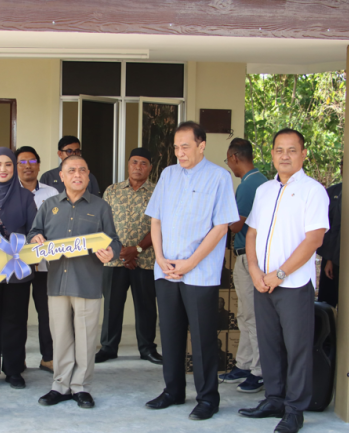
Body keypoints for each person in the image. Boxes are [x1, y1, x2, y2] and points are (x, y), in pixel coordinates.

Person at [144, 121, 239, 421]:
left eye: (185, 146)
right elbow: (155, 220)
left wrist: (191, 262)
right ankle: (173, 391)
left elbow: (221, 226)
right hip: (166, 270)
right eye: (175, 147)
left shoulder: (219, 177)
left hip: (198, 273)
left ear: (202, 145)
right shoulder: (168, 175)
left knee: (202, 338)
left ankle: (208, 398)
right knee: (170, 335)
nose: (179, 152)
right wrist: (159, 257)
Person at [238, 128, 329, 433]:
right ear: (272, 154)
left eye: (292, 150)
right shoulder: (264, 190)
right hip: (262, 282)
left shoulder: (313, 191)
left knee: (297, 348)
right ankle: (273, 399)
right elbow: (251, 233)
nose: (285, 156)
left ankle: (294, 410)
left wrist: (278, 274)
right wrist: (253, 270)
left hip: (291, 286)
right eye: (279, 150)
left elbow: (313, 239)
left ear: (303, 154)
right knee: (269, 345)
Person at [28, 155, 120, 409]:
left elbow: (113, 240)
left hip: (87, 282)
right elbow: (34, 232)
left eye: (82, 170)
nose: (77, 174)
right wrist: (35, 239)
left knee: (86, 338)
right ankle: (60, 385)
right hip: (56, 282)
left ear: (88, 174)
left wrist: (112, 251)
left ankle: (81, 387)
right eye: (71, 170)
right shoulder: (48, 206)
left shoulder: (101, 207)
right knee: (61, 336)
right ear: (61, 175)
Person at [0, 147, 38, 390]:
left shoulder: (25, 197)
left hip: (17, 269)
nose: (3, 169)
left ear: (14, 168)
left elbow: (34, 230)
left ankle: (14, 369)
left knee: (15, 320)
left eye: (8, 165)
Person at [95, 147, 162, 365]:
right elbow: (103, 224)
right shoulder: (112, 191)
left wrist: (137, 250)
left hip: (146, 260)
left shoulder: (159, 192)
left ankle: (147, 348)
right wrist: (123, 252)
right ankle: (108, 347)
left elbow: (160, 226)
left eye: (143, 163)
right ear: (128, 164)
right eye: (134, 162)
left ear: (150, 168)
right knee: (112, 306)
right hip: (114, 259)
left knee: (146, 307)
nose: (138, 167)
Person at [220, 137, 268, 393]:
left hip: (251, 258)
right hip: (245, 256)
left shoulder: (250, 185)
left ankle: (259, 371)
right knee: (244, 314)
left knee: (252, 315)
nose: (229, 165)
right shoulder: (256, 181)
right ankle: (244, 363)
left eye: (227, 160)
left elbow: (236, 224)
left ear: (234, 157)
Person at [16, 145, 58, 373]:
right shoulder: (10, 193)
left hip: (45, 265)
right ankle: (17, 358)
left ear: (39, 165)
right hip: (18, 265)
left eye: (32, 161)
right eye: (22, 162)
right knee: (17, 313)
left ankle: (48, 358)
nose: (27, 166)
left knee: (46, 312)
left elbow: (57, 225)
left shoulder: (51, 193)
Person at [317, 159, 342, 308]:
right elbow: (328, 227)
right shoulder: (332, 192)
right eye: (342, 164)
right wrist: (329, 259)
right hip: (333, 255)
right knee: (328, 300)